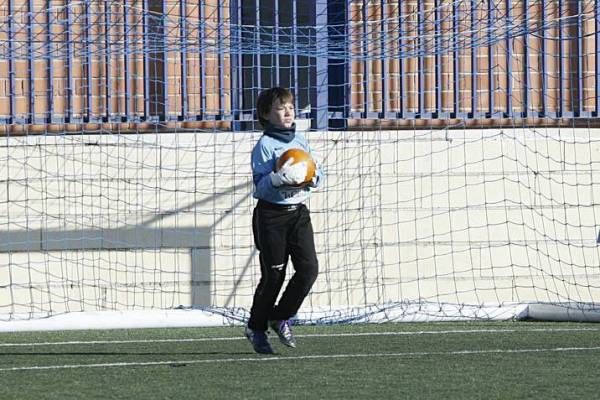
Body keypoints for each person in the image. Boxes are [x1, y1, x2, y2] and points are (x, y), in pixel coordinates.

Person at [245, 87, 323, 354]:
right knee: (274, 275)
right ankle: (256, 328)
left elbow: (318, 175)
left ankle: (280, 316)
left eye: (290, 106)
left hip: (298, 214)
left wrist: (312, 178)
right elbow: (260, 188)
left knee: (309, 270)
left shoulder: (300, 141)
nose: (288, 111)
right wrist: (277, 179)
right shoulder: (264, 147)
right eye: (280, 107)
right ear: (266, 114)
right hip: (271, 216)